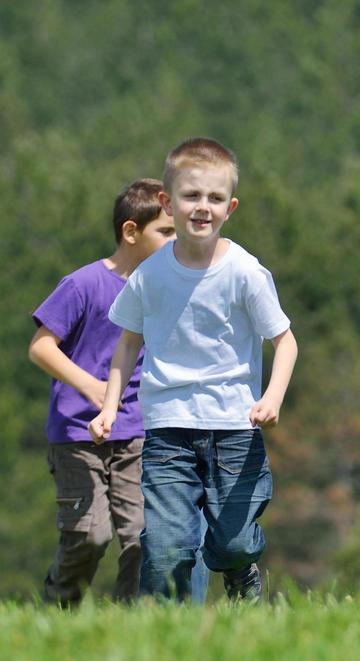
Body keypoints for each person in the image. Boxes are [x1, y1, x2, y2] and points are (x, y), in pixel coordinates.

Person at [90, 137, 299, 602]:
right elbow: (127, 343)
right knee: (165, 548)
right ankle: (168, 635)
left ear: (231, 207)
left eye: (215, 198)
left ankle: (242, 570)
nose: (202, 207)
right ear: (167, 202)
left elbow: (284, 342)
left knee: (233, 543)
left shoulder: (245, 272)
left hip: (235, 428)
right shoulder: (150, 273)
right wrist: (110, 407)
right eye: (191, 196)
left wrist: (272, 398)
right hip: (168, 429)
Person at [27, 179, 175, 605]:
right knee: (89, 536)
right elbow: (40, 348)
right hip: (77, 435)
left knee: (143, 536)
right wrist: (90, 386)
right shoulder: (83, 284)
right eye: (165, 232)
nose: (174, 242)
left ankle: (132, 623)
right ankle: (58, 610)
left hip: (136, 432)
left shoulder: (164, 291)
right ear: (131, 232)